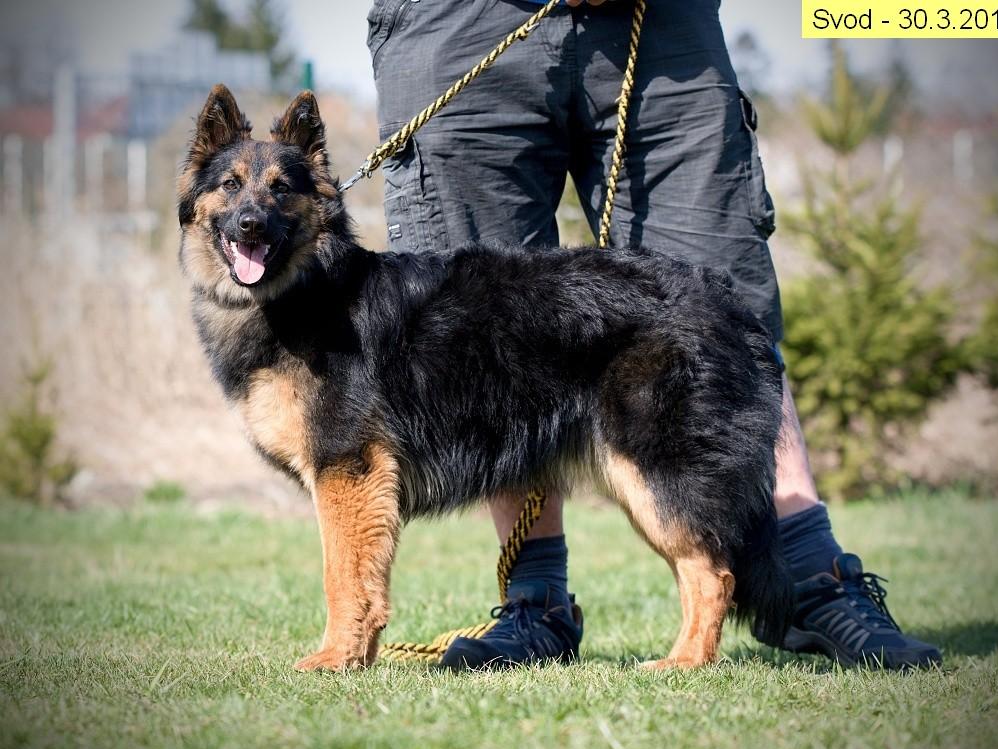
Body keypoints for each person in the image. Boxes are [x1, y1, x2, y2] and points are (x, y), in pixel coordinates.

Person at [366, 0, 941, 670]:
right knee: (480, 333)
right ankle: (536, 603)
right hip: (464, 24)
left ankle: (812, 577)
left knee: (721, 312)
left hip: (661, 25)